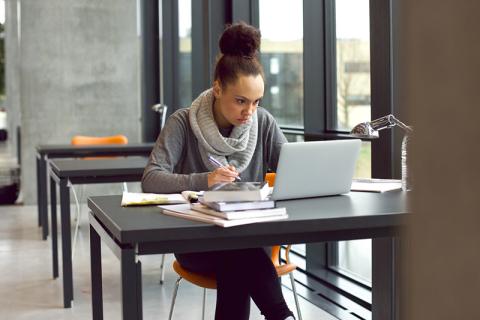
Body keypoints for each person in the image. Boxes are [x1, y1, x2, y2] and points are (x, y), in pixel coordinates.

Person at [142, 22, 295, 320]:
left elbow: (293, 171)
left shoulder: (263, 122)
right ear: (217, 88)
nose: (249, 112)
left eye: (256, 102)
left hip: (250, 239)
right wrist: (206, 180)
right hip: (198, 243)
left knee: (238, 252)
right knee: (238, 253)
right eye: (240, 101)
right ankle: (281, 315)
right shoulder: (182, 123)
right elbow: (151, 179)